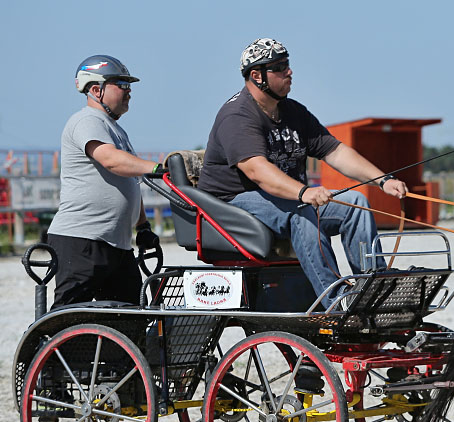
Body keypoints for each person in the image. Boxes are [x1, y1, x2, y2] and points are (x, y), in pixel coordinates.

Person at [197, 38, 407, 306]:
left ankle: (373, 292)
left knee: (356, 203)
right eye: (280, 67)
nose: (289, 71)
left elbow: (336, 152)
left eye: (288, 64)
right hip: (233, 202)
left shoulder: (293, 112)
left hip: (282, 198)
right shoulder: (237, 115)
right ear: (256, 75)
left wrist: (383, 180)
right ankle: (333, 302)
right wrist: (303, 192)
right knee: (301, 212)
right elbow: (256, 169)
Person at [46, 55, 162, 309]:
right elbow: (110, 160)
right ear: (96, 90)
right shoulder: (87, 120)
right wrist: (156, 169)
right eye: (121, 84)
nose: (129, 91)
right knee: (70, 317)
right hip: (81, 239)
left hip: (115, 242)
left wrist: (142, 227)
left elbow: (128, 177)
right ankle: (48, 349)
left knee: (130, 316)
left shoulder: (114, 129)